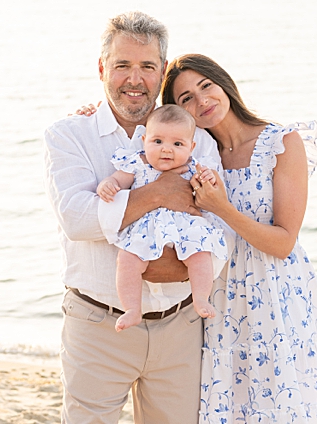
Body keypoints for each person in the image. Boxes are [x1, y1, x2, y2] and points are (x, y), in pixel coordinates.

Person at [164, 53, 317, 422]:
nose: (201, 101)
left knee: (289, 402)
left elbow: (284, 242)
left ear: (223, 83)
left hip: (277, 294)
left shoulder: (281, 143)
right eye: (186, 99)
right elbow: (139, 142)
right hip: (221, 299)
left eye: (205, 86)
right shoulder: (193, 154)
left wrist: (221, 207)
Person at [44, 12, 222, 424]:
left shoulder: (197, 140)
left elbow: (220, 228)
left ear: (162, 72)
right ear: (103, 68)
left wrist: (177, 270)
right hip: (97, 324)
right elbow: (77, 218)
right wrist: (158, 193)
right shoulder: (69, 135)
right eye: (122, 65)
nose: (134, 79)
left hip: (181, 324)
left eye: (146, 66)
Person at [95, 104, 228, 326]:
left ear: (191, 147)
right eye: (158, 142)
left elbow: (211, 193)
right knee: (127, 260)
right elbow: (119, 180)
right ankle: (132, 308)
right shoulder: (136, 163)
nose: (166, 149)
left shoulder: (194, 167)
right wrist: (108, 184)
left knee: (200, 254)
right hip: (146, 227)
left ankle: (201, 298)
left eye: (177, 144)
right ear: (144, 140)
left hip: (186, 226)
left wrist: (208, 179)